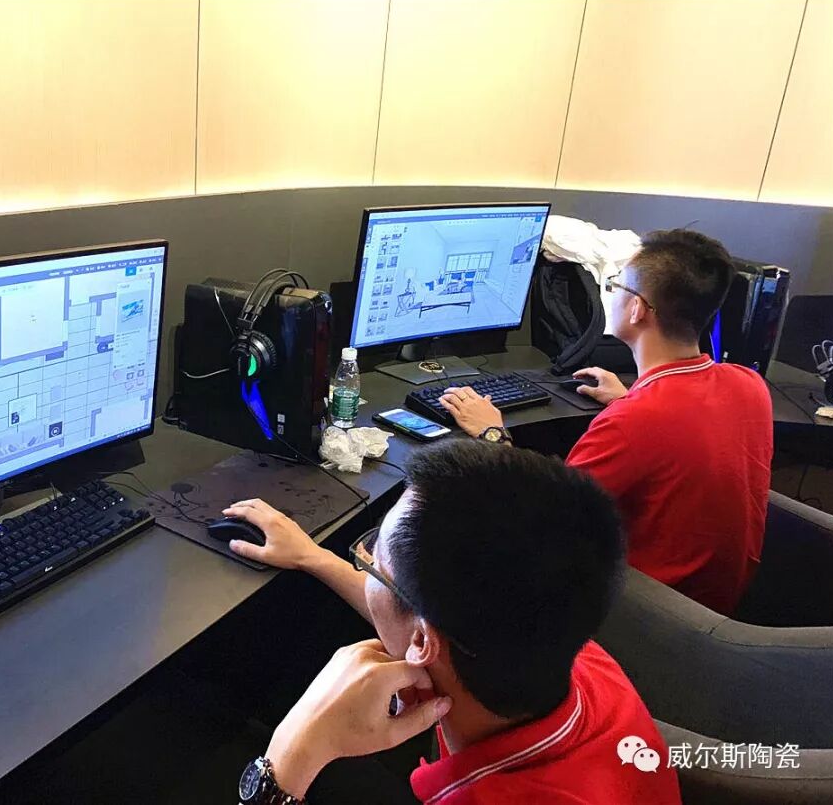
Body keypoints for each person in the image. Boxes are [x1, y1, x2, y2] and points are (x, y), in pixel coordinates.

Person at [225, 440, 680, 804]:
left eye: (375, 562)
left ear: (423, 639)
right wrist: (314, 557)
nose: (366, 562)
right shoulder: (565, 646)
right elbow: (437, 620)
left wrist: (290, 756)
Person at [440, 229, 772, 615]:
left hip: (647, 617)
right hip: (711, 607)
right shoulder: (748, 385)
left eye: (615, 286)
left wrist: (492, 432)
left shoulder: (634, 421)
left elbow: (538, 520)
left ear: (637, 309)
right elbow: (686, 427)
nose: (611, 295)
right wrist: (629, 397)